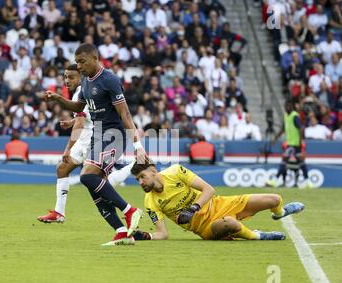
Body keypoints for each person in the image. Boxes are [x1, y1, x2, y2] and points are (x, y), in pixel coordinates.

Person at [43, 43, 146, 245]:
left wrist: (137, 145)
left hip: (114, 135)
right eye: (77, 62)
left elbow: (124, 113)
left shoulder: (109, 80)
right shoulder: (87, 84)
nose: (79, 66)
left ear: (95, 58)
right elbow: (78, 107)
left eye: (82, 62)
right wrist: (57, 98)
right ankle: (122, 232)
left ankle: (130, 210)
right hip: (97, 137)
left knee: (87, 176)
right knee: (95, 186)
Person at [37, 64, 136, 224]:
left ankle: (132, 170)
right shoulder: (83, 91)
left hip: (92, 140)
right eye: (65, 77)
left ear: (80, 77)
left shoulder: (83, 91)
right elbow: (85, 117)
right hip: (89, 138)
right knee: (64, 170)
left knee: (97, 183)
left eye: (71, 77)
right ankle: (59, 212)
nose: (67, 81)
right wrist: (72, 121)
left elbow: (81, 123)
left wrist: (68, 148)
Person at [129, 161, 305, 241]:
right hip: (205, 227)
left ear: (153, 170)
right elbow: (163, 234)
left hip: (221, 203)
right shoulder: (150, 201)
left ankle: (280, 213)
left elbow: (209, 189)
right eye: (137, 180)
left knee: (274, 199)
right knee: (231, 224)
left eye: (142, 177)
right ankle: (259, 236)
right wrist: (146, 236)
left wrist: (192, 208)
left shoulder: (175, 171)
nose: (141, 182)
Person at [266, 100, 312, 188]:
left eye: (289, 106)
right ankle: (307, 182)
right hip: (290, 144)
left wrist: (300, 142)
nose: (287, 108)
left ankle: (275, 180)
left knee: (288, 161)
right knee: (298, 162)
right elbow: (283, 128)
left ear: (292, 107)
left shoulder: (295, 116)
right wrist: (275, 138)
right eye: (286, 106)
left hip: (296, 144)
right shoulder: (286, 116)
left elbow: (300, 129)